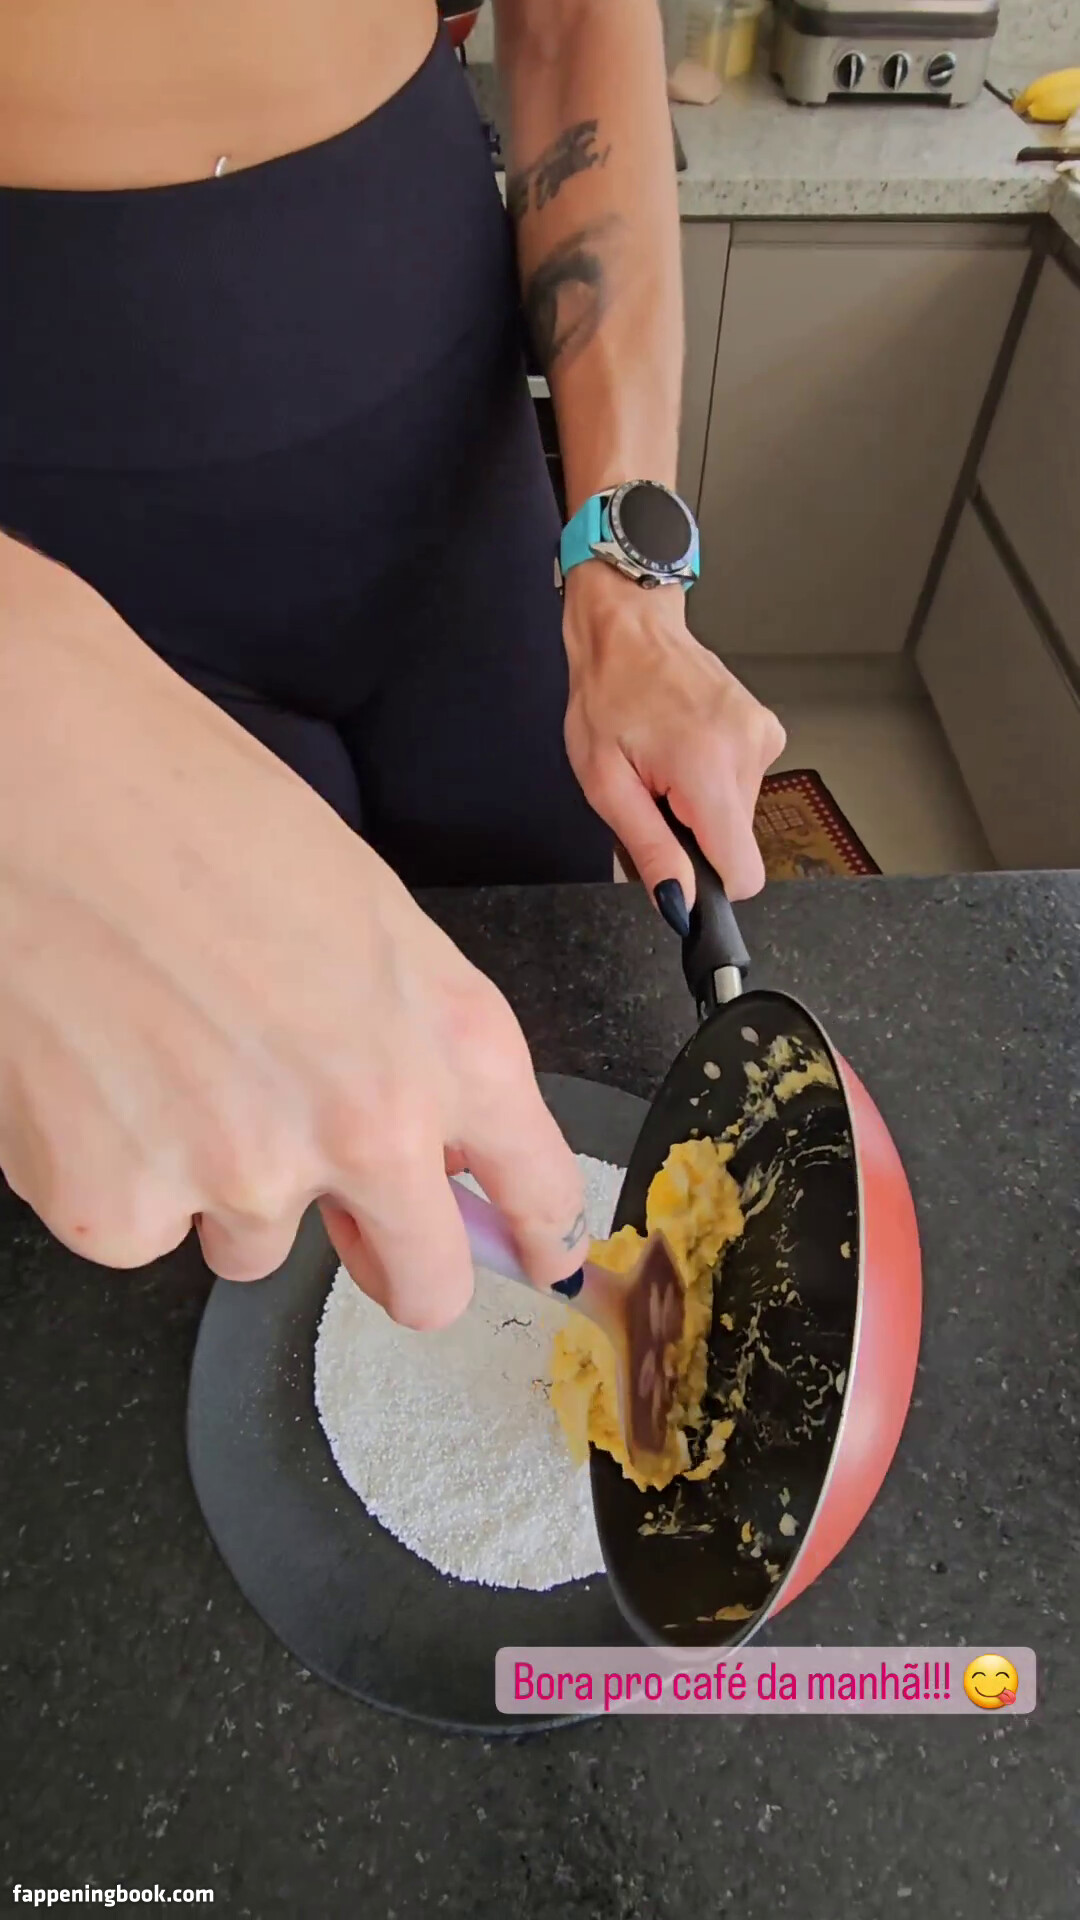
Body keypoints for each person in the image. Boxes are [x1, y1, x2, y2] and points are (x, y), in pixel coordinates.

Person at [0, 0, 784, 1327]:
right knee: (191, 1207)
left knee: (537, 1023)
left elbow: (575, 19)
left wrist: (627, 576)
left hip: (433, 407)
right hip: (52, 506)